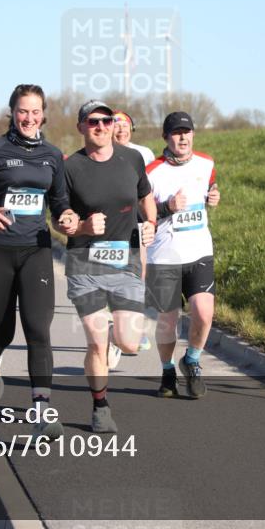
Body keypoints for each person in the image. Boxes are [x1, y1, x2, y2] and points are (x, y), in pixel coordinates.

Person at [0, 84, 79, 440]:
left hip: (36, 249)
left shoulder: (53, 156)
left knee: (38, 329)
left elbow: (59, 202)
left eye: (35, 111)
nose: (29, 117)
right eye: (23, 111)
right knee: (4, 331)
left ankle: (41, 412)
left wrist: (67, 216)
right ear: (12, 112)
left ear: (44, 114)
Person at [64, 101, 156, 432]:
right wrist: (83, 227)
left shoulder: (131, 159)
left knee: (130, 343)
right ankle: (100, 406)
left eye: (107, 120)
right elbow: (63, 219)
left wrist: (151, 223)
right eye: (94, 122)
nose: (102, 126)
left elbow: (146, 196)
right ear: (81, 127)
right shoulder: (70, 166)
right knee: (95, 341)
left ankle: (116, 332)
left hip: (126, 263)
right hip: (84, 265)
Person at [146, 112, 221, 399]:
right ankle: (167, 370)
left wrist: (214, 196)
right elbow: (143, 213)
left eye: (187, 132)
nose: (182, 137)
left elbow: (210, 187)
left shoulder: (207, 163)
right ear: (166, 137)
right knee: (168, 321)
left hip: (199, 251)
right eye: (176, 133)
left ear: (193, 135)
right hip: (163, 256)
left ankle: (191, 360)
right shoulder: (152, 171)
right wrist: (166, 207)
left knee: (204, 312)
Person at [112, 110, 156, 352]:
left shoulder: (144, 153)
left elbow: (150, 189)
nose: (121, 130)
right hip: (111, 223)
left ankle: (134, 330)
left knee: (138, 275)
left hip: (137, 220)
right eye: (117, 126)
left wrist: (153, 218)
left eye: (125, 125)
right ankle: (118, 324)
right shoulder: (103, 153)